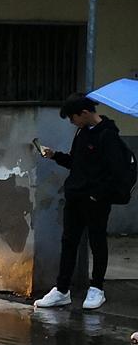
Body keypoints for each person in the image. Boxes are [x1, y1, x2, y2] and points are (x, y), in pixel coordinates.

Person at [34, 93, 128, 310]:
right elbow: (76, 163)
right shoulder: (82, 132)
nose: (72, 122)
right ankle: (62, 289)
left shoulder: (108, 136)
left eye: (73, 117)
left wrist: (98, 194)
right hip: (75, 196)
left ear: (84, 113)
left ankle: (97, 288)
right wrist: (55, 155)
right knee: (69, 242)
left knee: (97, 241)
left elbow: (115, 172)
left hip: (95, 199)